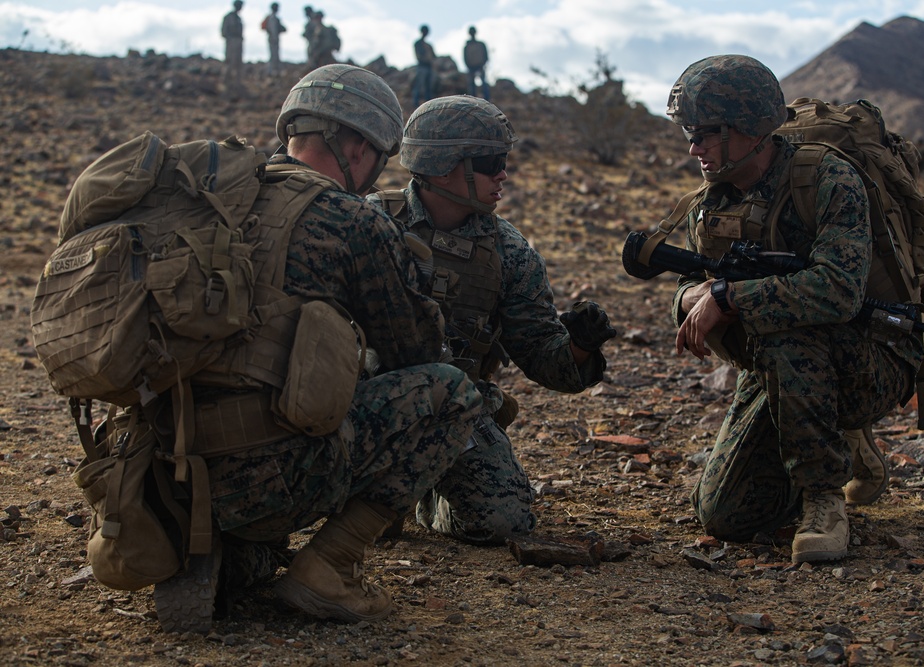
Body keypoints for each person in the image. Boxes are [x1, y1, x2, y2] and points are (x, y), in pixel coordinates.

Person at [152, 65, 483, 633]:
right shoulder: (350, 218)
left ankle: (217, 549)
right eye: (378, 155)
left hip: (161, 469)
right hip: (272, 475)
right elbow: (413, 353)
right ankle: (330, 566)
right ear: (355, 145)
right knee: (452, 394)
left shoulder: (206, 202)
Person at [664, 55, 920, 564]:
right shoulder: (711, 203)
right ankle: (832, 438)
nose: (694, 148)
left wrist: (731, 297)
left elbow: (839, 290)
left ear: (752, 128)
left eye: (707, 132)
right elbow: (697, 280)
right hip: (779, 369)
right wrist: (689, 298)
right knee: (726, 516)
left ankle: (825, 497)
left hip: (873, 357)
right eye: (690, 133)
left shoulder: (826, 178)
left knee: (788, 327)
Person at [368, 95, 616, 545]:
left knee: (500, 523)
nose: (503, 173)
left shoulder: (509, 252)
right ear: (443, 164)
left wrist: (579, 345)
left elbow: (543, 356)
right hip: (364, 401)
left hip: (455, 410)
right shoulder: (369, 223)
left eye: (504, 160)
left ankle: (428, 497)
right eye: (490, 161)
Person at [220, 0, 244, 92]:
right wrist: (230, 38)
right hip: (231, 41)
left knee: (238, 63)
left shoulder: (238, 18)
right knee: (229, 62)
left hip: (238, 41)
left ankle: (237, 84)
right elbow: (224, 31)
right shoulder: (229, 17)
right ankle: (226, 82)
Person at [463, 26, 490, 101]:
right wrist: (469, 66)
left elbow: (485, 55)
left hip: (480, 66)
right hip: (471, 67)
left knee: (483, 84)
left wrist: (483, 64)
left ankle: (486, 99)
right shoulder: (467, 46)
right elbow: (465, 58)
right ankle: (473, 100)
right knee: (472, 85)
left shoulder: (480, 44)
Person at [412, 24, 436, 108]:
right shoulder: (418, 44)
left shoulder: (428, 45)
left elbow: (434, 56)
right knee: (419, 85)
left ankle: (428, 104)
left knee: (428, 87)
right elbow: (419, 56)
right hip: (422, 66)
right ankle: (415, 102)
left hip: (428, 67)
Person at [262, 2, 286, 78]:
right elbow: (273, 30)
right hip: (273, 40)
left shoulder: (273, 18)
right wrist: (274, 38)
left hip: (273, 39)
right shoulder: (273, 18)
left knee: (274, 56)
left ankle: (273, 72)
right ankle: (271, 72)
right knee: (273, 56)